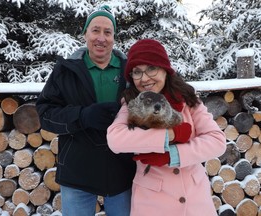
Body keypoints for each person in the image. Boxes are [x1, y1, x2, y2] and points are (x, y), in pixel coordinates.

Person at [107, 39, 227, 216]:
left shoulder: (188, 99)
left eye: (151, 68)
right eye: (137, 72)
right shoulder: (132, 103)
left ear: (164, 69)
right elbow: (115, 139)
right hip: (152, 204)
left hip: (195, 202)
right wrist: (169, 136)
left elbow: (217, 141)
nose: (145, 78)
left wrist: (173, 155)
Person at [36, 5, 136, 216]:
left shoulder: (131, 71)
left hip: (122, 171)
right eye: (95, 30)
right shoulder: (65, 70)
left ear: (114, 37)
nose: (101, 37)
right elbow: (45, 115)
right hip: (77, 171)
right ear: (85, 34)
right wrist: (82, 116)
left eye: (107, 32)